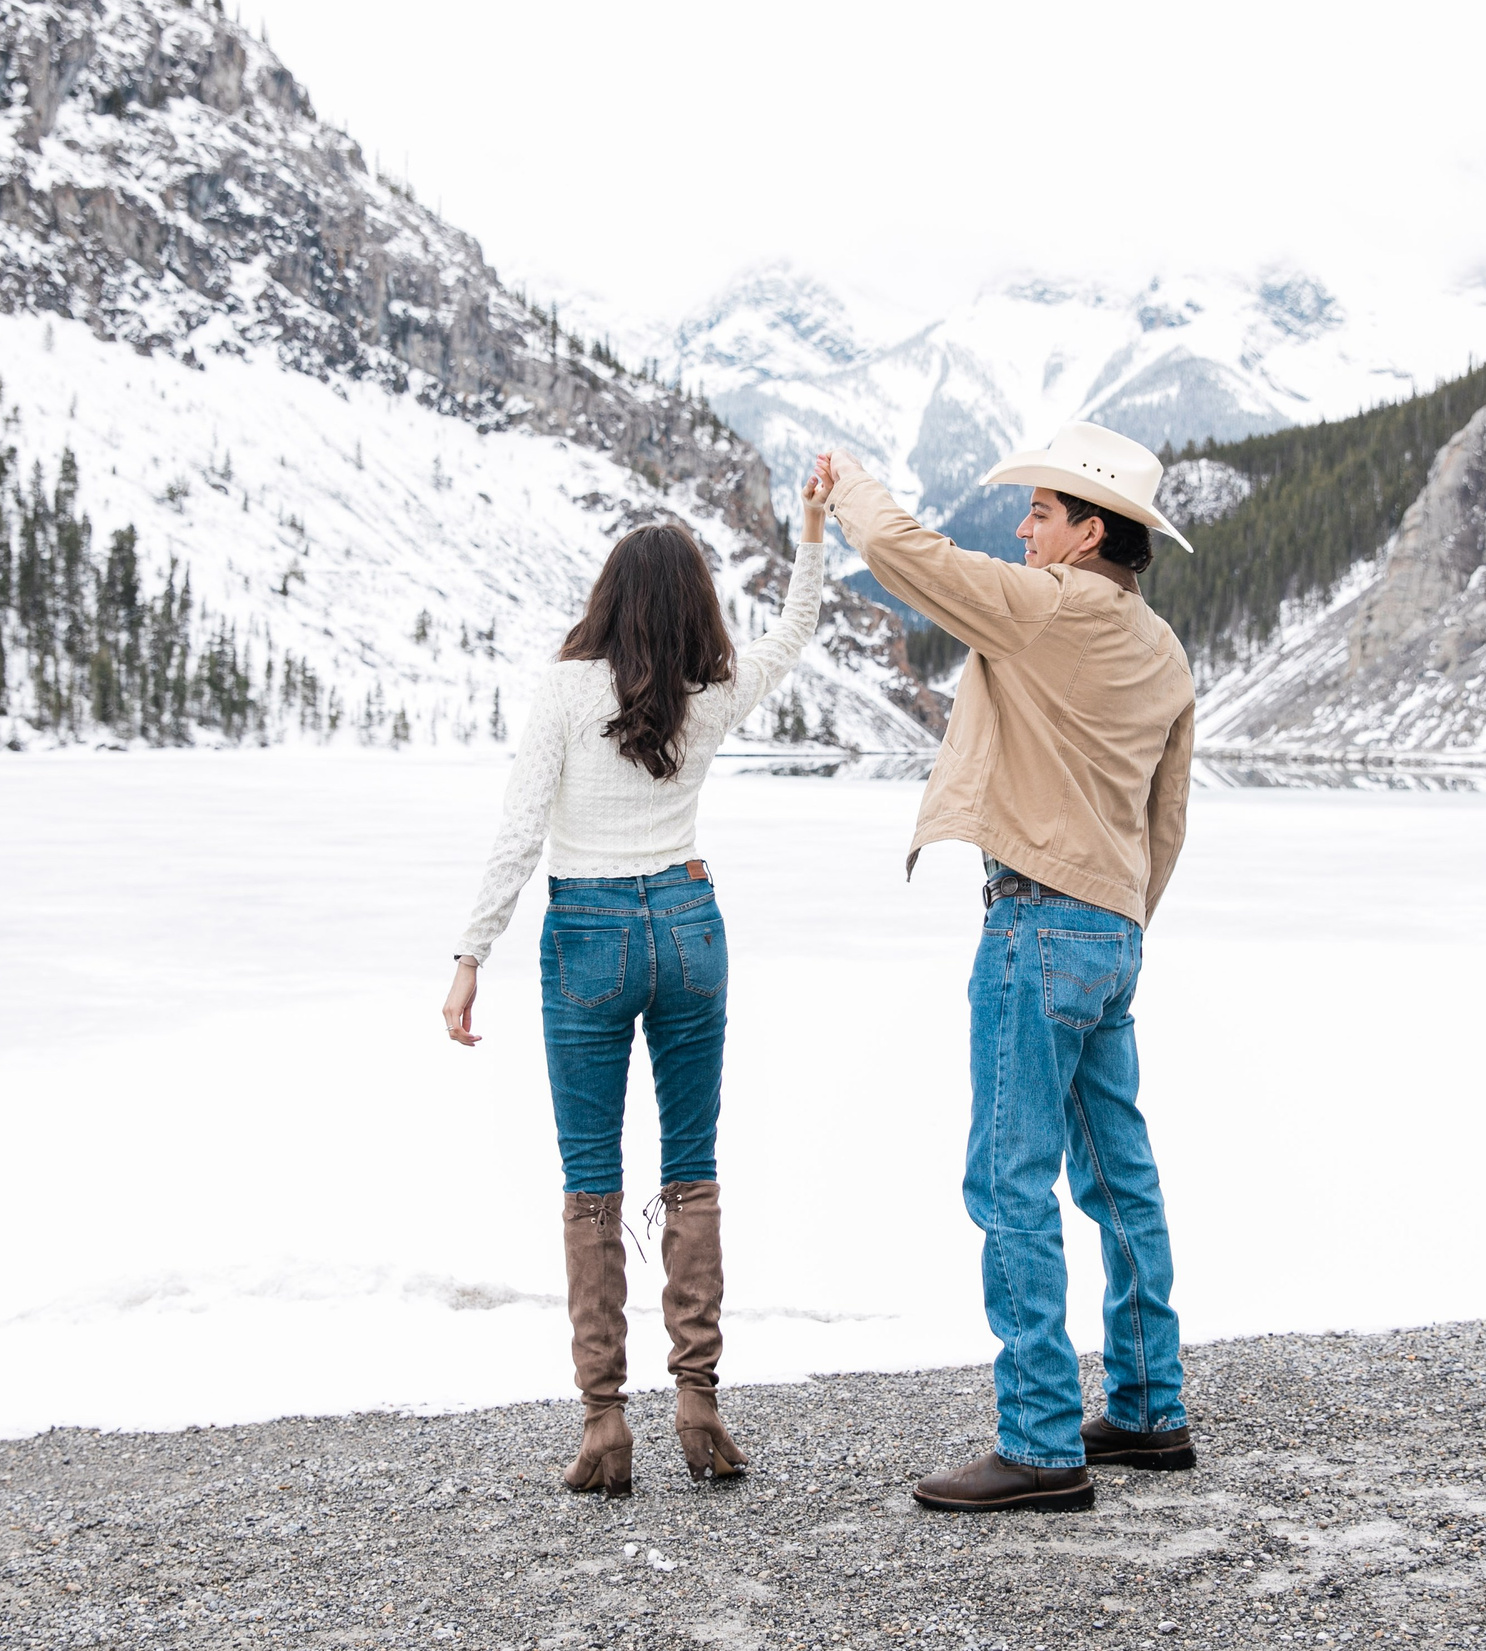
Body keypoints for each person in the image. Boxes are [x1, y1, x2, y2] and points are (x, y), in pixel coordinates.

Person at [820, 421, 1199, 1514]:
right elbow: (1165, 816)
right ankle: (1145, 1408)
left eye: (1038, 512)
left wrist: (847, 482)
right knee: (1116, 1172)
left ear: (1089, 533)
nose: (1022, 528)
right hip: (1109, 930)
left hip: (1035, 923)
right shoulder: (1162, 646)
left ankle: (1038, 1442)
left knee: (1010, 1180)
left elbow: (914, 562)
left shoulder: (1048, 606)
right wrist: (1122, 922)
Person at [443, 477, 832, 1499]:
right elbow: (796, 628)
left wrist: (470, 951)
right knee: (692, 1168)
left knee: (591, 1183)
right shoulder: (714, 689)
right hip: (691, 923)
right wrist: (810, 532)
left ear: (608, 596)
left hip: (588, 933)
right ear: (696, 604)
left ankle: (605, 1422)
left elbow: (521, 829)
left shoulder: (568, 687)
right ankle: (698, 1399)